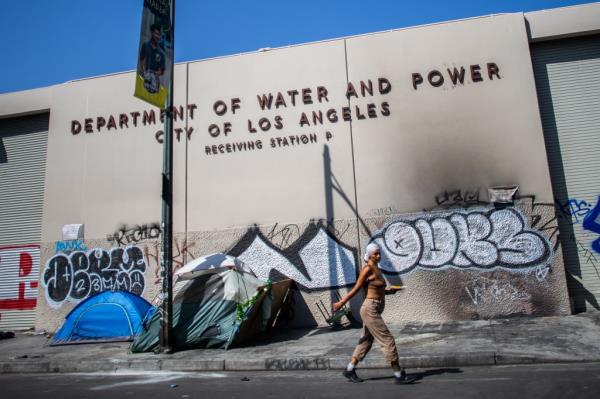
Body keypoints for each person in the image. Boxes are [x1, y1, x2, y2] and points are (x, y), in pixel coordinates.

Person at [332, 242, 415, 384]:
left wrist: (390, 291)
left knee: (366, 341)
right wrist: (342, 302)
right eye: (375, 253)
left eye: (379, 253)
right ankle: (398, 374)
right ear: (369, 255)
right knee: (387, 339)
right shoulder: (368, 269)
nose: (378, 255)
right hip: (370, 309)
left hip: (374, 308)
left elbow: (377, 290)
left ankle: (350, 369)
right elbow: (356, 288)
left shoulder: (377, 269)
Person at [139, 23, 166, 94]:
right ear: (151, 33)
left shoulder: (161, 53)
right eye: (156, 33)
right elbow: (142, 61)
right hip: (143, 81)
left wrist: (153, 74)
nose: (157, 36)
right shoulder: (145, 45)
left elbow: (161, 71)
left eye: (159, 34)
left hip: (154, 85)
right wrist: (145, 73)